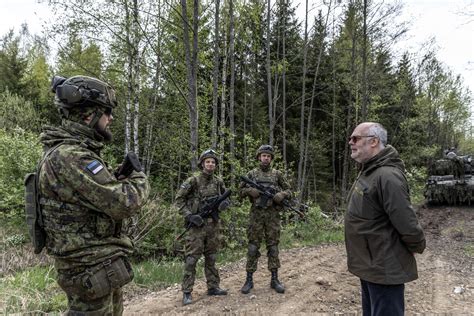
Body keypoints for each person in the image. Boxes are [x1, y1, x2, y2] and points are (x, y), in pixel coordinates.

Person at [38, 75, 150, 315]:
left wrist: (115, 179)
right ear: (89, 116)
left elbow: (93, 198)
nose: (110, 119)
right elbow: (124, 202)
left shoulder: (75, 152)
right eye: (107, 112)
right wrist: (139, 177)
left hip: (97, 265)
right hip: (86, 269)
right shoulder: (71, 156)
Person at [345, 122, 426, 316]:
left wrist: (416, 245)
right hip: (371, 264)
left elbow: (406, 221)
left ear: (374, 142)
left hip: (384, 267)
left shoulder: (387, 176)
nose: (351, 142)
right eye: (351, 139)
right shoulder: (370, 170)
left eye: (355, 138)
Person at [175, 149, 230, 305]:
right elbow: (179, 200)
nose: (210, 164)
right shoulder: (193, 180)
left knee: (211, 258)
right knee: (191, 259)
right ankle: (187, 292)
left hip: (213, 226)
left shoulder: (218, 181)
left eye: (213, 162)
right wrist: (190, 216)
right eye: (208, 161)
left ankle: (213, 287)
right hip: (196, 228)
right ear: (202, 163)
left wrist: (224, 205)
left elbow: (226, 198)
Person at [239, 145, 291, 294]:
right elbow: (239, 191)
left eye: (268, 156)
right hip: (256, 215)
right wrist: (250, 190)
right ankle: (249, 280)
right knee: (253, 247)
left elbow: (289, 190)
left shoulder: (277, 174)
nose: (266, 158)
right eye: (263, 155)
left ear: (271, 158)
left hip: (272, 216)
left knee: (273, 247)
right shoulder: (252, 174)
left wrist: (282, 195)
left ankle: (275, 279)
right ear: (259, 157)